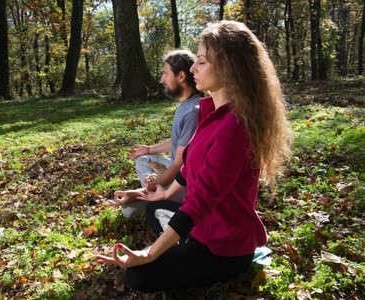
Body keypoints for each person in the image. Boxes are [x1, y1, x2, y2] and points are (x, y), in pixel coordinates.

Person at [97, 20, 292, 292]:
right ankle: (177, 242)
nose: (192, 69)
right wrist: (158, 194)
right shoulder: (209, 111)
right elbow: (187, 169)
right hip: (202, 226)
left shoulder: (235, 128)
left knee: (137, 276)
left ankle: (179, 247)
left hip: (225, 246)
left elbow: (201, 201)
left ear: (229, 67)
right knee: (154, 208)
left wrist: (150, 253)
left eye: (201, 61)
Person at [110, 49, 202, 219]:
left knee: (128, 212)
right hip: (174, 172)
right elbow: (177, 142)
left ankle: (154, 192)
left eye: (166, 73)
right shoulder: (185, 105)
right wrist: (149, 149)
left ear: (181, 76)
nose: (161, 79)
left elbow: (178, 166)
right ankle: (154, 187)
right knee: (143, 159)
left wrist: (140, 192)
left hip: (184, 183)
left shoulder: (193, 112)